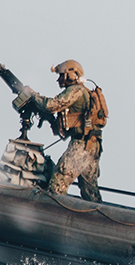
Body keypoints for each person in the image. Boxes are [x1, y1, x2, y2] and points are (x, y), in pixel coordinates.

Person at [38, 60, 108, 200]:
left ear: (70, 75)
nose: (58, 79)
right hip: (92, 145)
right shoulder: (85, 91)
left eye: (61, 75)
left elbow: (51, 105)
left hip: (81, 146)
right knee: (90, 192)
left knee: (58, 183)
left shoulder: (76, 90)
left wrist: (33, 96)